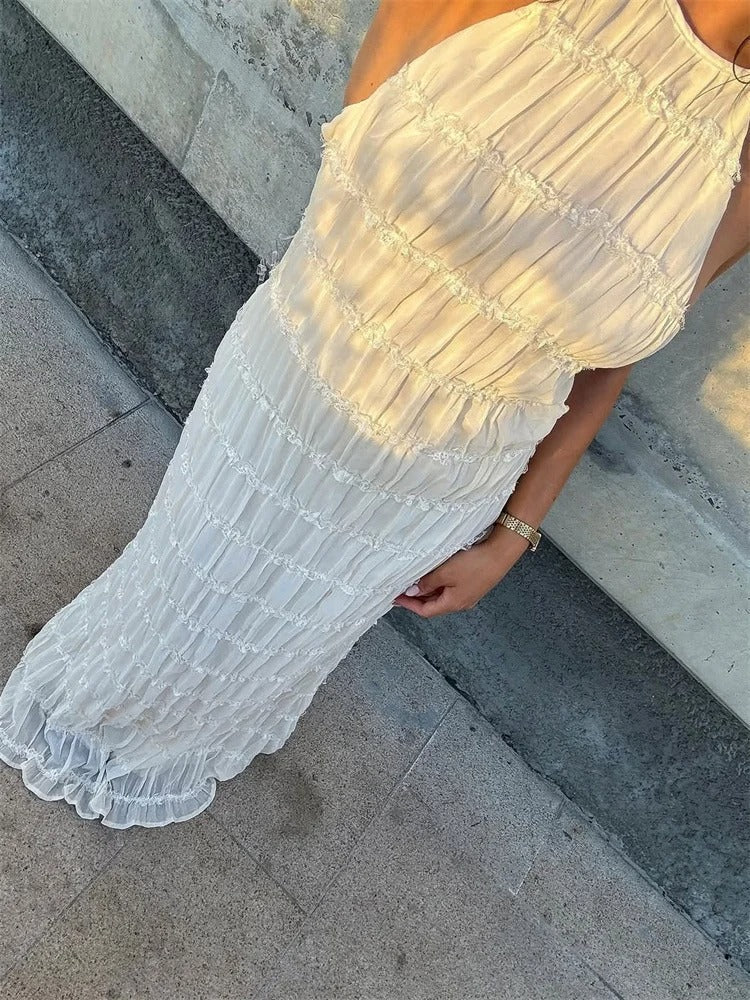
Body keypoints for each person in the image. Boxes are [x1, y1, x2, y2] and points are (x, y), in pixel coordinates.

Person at [0, 0, 748, 828]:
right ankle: (87, 714)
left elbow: (607, 359)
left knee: (280, 639)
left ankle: (183, 741)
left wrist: (511, 537)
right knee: (182, 585)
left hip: (439, 491)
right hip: (302, 394)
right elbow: (363, 124)